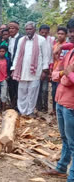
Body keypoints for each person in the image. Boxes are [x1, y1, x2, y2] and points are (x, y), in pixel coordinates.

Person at [45, 21, 74, 180]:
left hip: (71, 104)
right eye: (70, 31)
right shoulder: (70, 51)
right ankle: (62, 167)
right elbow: (56, 74)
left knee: (73, 143)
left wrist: (64, 75)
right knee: (65, 138)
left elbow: (69, 79)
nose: (71, 34)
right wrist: (65, 73)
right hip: (61, 100)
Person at [11, 21, 49, 117]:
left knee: (33, 92)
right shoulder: (21, 40)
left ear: (34, 29)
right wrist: (14, 68)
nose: (28, 31)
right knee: (22, 91)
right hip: (22, 71)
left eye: (30, 29)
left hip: (36, 71)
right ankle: (22, 110)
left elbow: (45, 56)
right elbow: (17, 56)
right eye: (27, 29)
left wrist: (45, 70)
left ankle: (30, 111)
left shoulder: (41, 40)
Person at [35, 25, 54, 113]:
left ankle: (45, 107)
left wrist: (49, 69)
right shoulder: (36, 40)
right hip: (37, 68)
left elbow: (51, 56)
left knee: (45, 89)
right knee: (37, 88)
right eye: (42, 32)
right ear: (39, 32)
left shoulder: (51, 40)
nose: (44, 34)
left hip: (47, 68)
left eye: (46, 32)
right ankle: (38, 106)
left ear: (48, 32)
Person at [51, 27, 69, 114]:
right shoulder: (55, 45)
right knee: (54, 91)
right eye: (59, 34)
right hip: (55, 71)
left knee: (61, 92)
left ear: (66, 35)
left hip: (64, 73)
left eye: (62, 34)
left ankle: (61, 110)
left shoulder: (68, 46)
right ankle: (54, 110)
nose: (60, 35)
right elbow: (53, 59)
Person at [8, 21, 23, 110]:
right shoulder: (9, 39)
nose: (11, 30)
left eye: (13, 28)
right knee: (11, 86)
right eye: (9, 28)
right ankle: (12, 104)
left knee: (18, 86)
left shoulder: (21, 39)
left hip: (18, 66)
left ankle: (18, 105)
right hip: (10, 65)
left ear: (17, 29)